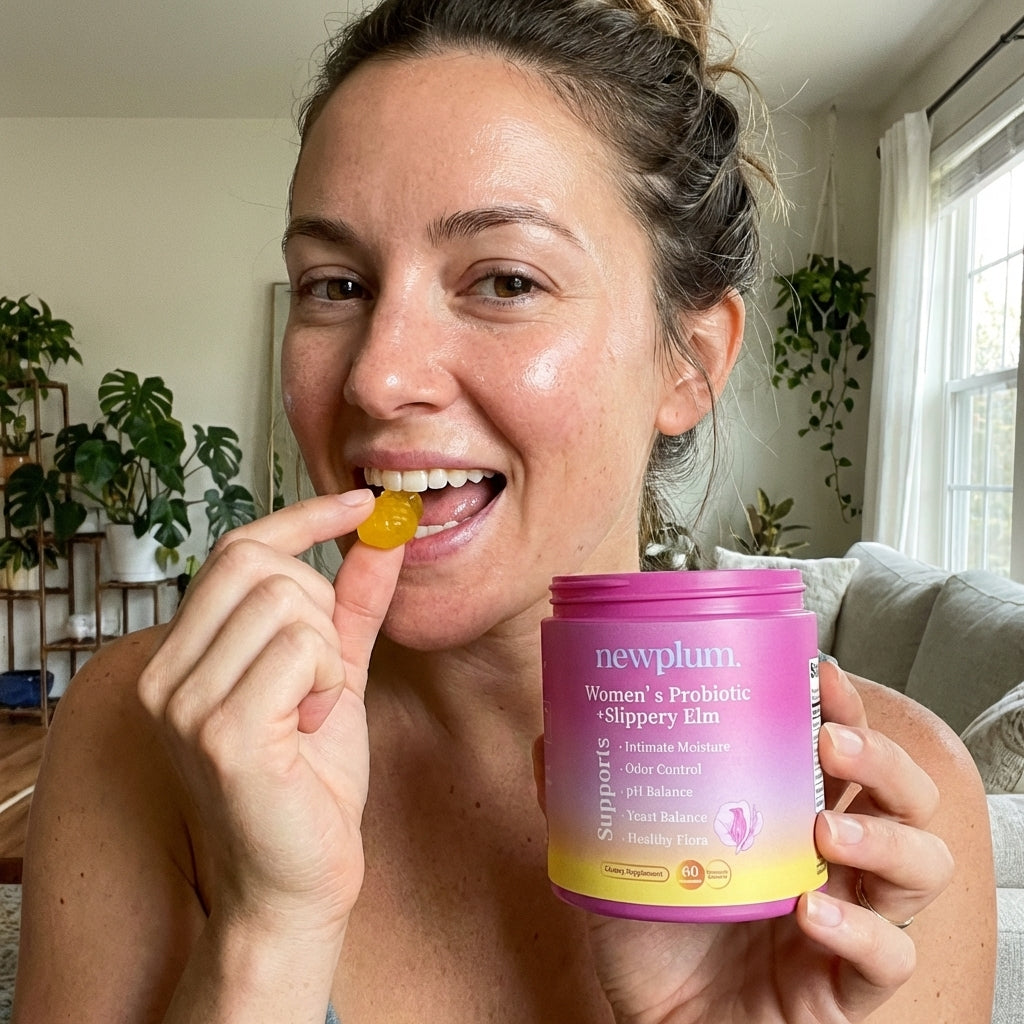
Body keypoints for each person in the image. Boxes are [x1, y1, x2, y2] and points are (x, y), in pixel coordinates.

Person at [14, 0, 996, 1021]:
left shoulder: (878, 818)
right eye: (335, 285)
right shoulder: (140, 728)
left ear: (690, 363)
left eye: (506, 280)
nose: (377, 377)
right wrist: (268, 933)